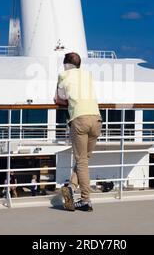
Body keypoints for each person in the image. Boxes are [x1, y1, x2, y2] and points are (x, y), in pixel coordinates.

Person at [54, 52, 102, 212]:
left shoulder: (64, 75)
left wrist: (65, 99)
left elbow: (58, 99)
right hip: (96, 119)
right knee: (84, 159)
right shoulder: (87, 75)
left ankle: (85, 200)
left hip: (80, 119)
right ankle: (71, 187)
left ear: (66, 64)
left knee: (81, 161)